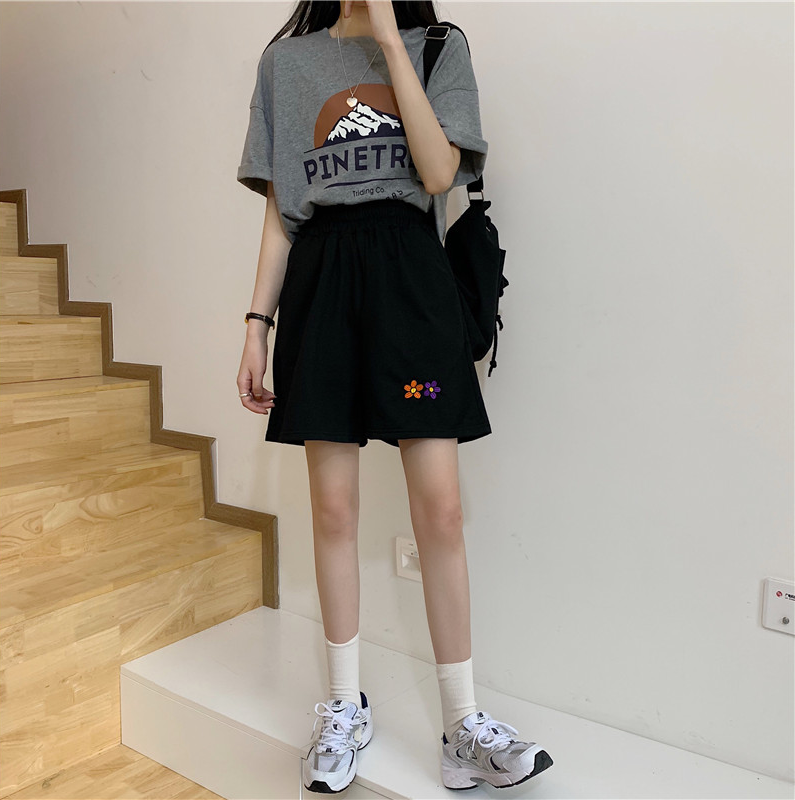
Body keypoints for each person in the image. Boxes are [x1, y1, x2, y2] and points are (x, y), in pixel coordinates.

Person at [236, 0, 554, 792]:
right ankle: (344, 706)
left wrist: (386, 36)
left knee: (440, 509)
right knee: (333, 509)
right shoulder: (287, 63)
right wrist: (255, 325)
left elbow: (440, 174)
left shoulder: (438, 47)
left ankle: (462, 724)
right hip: (322, 286)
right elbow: (280, 209)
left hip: (412, 287)